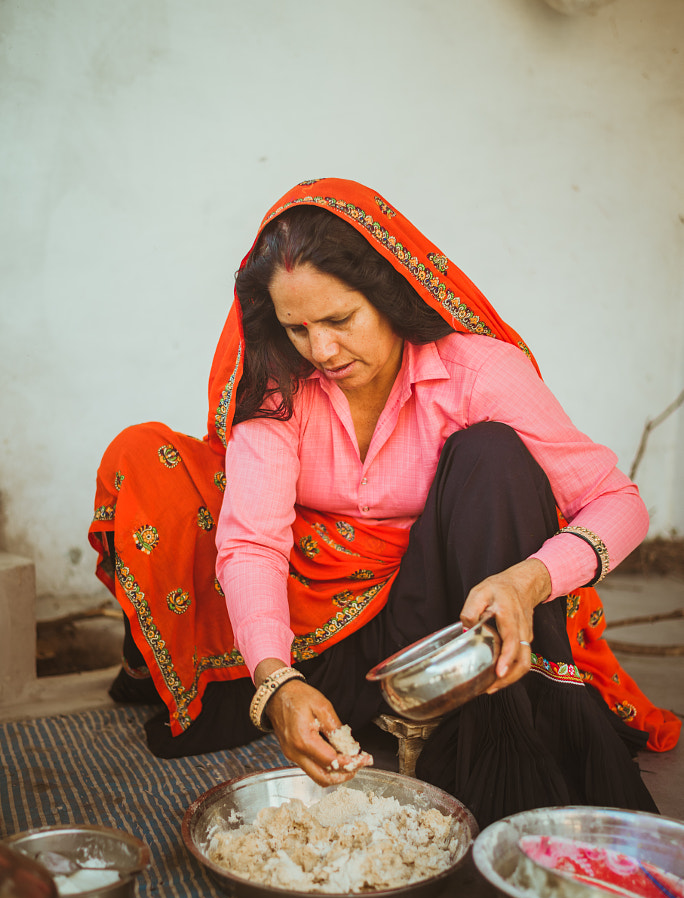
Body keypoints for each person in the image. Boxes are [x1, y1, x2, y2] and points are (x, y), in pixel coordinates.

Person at [89, 178, 680, 828]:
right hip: (314, 630)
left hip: (441, 621)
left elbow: (617, 502)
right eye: (298, 328)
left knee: (493, 456)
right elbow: (253, 542)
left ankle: (497, 736)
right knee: (147, 458)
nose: (322, 351)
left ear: (392, 295)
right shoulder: (280, 384)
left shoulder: (477, 372)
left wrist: (527, 580)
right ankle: (304, 697)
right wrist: (275, 681)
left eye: (340, 321)